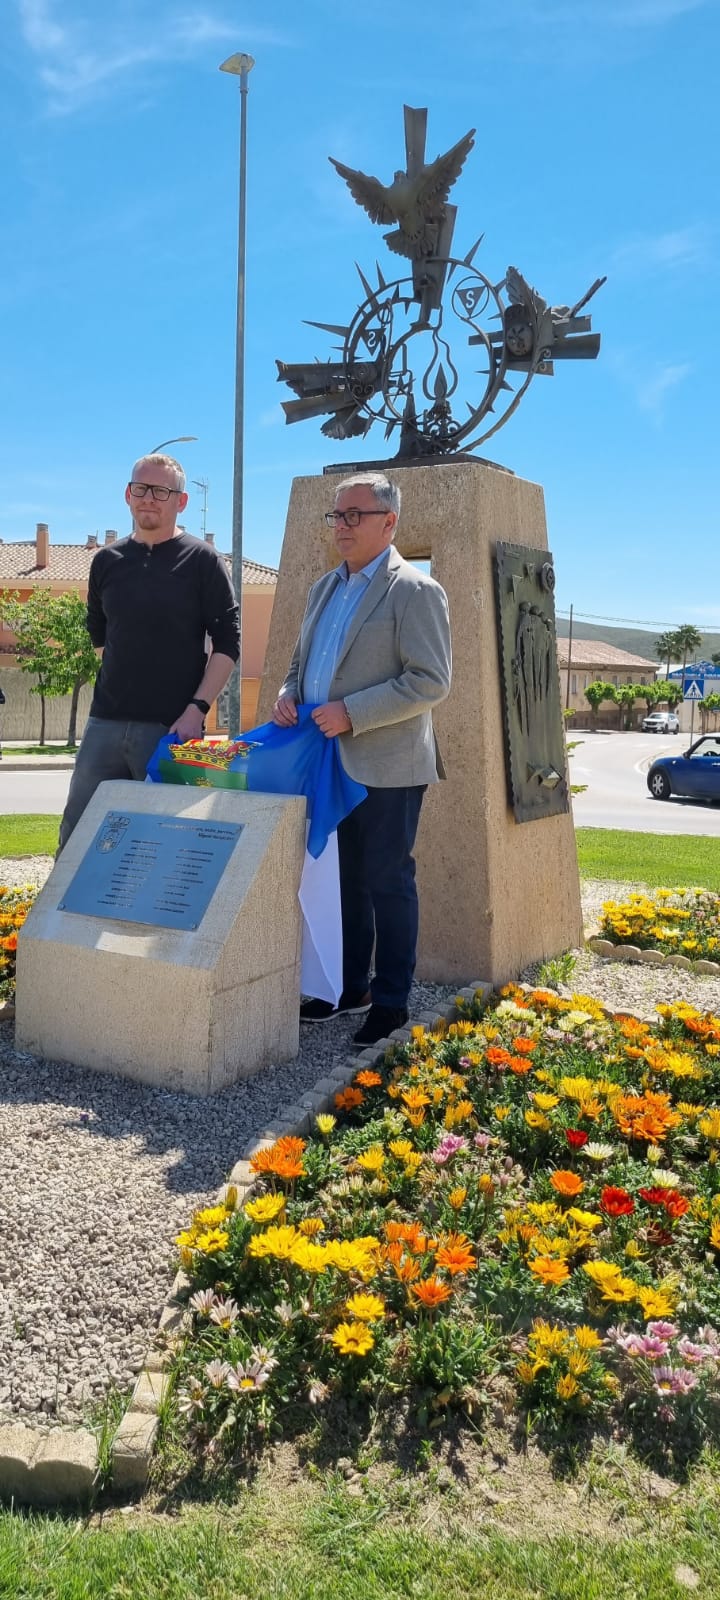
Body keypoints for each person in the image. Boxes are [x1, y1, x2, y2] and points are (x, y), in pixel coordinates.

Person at [272, 471, 451, 1046]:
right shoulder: (324, 588)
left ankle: (392, 1000)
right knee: (342, 883)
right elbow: (303, 663)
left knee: (387, 881)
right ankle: (350, 989)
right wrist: (287, 693)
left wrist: (354, 711)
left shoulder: (416, 591)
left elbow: (430, 681)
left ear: (389, 522)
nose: (342, 526)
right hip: (327, 762)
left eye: (355, 515)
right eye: (336, 515)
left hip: (389, 764)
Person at [57, 453, 240, 852]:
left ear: (181, 501)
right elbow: (100, 634)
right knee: (77, 839)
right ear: (127, 494)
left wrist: (197, 709)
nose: (149, 498)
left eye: (161, 490)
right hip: (104, 723)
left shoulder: (203, 561)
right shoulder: (106, 561)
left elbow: (228, 644)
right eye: (140, 488)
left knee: (162, 849)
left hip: (172, 729)